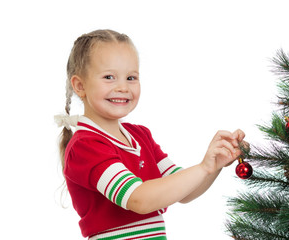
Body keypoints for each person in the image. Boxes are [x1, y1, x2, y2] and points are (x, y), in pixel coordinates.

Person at [55, 29, 247, 240]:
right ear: (80, 85)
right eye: (109, 77)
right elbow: (139, 199)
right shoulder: (85, 145)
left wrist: (215, 164)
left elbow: (183, 191)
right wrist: (203, 167)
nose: (122, 87)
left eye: (131, 77)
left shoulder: (140, 136)